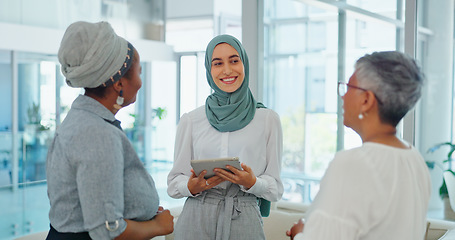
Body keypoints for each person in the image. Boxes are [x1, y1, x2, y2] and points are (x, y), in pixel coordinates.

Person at [46, 21, 173, 240]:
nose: (141, 83)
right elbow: (107, 230)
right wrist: (158, 227)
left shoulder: (84, 120)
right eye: (138, 74)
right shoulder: (98, 134)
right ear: (119, 84)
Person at [286, 51, 431, 240]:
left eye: (348, 87)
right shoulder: (415, 159)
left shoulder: (353, 163)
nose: (343, 96)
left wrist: (299, 235)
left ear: (366, 100)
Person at [167, 34, 284, 240]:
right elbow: (174, 182)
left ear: (244, 64)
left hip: (244, 215)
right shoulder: (191, 120)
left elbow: (275, 189)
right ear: (209, 70)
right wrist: (191, 186)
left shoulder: (267, 119)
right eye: (218, 63)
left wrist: (252, 182)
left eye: (234, 60)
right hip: (196, 217)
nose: (227, 70)